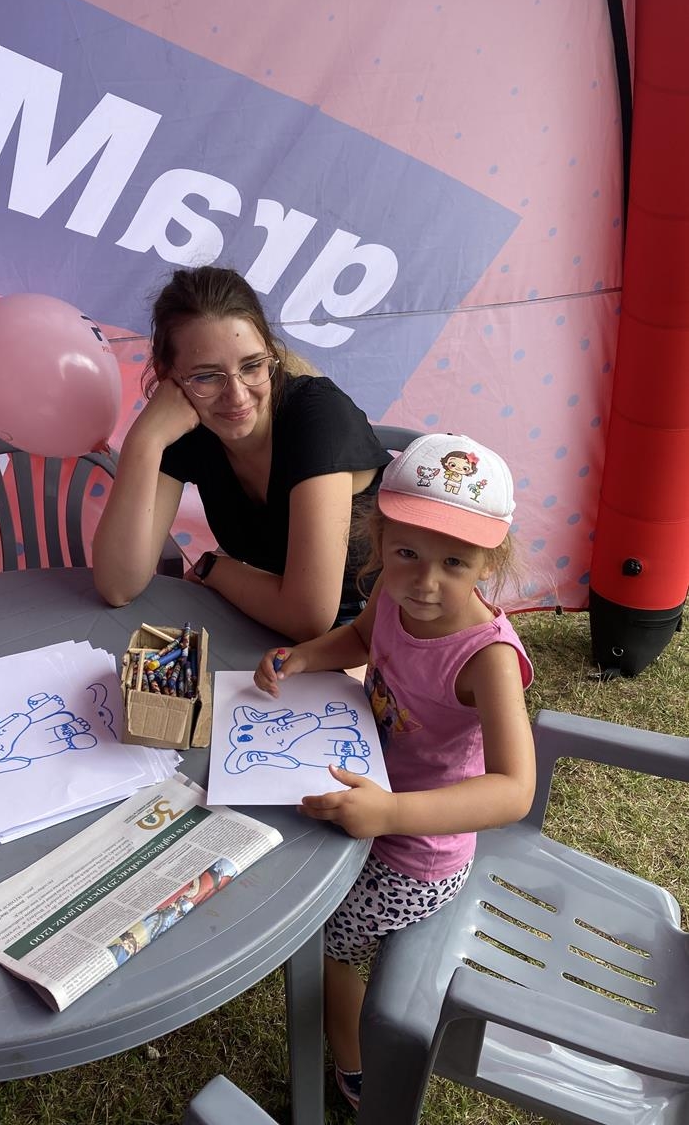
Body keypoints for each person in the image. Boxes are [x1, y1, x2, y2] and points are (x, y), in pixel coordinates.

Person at [253, 431, 536, 1111]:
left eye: (454, 562)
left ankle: (357, 1073)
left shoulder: (487, 659)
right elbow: (358, 639)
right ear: (380, 541)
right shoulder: (393, 592)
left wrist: (393, 814)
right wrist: (304, 657)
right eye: (407, 553)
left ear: (489, 561)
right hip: (366, 789)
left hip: (417, 854)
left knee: (320, 939)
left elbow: (515, 790)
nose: (425, 582)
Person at [93, 266, 389, 640]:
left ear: (270, 353)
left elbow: (309, 615)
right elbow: (118, 585)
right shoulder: (189, 422)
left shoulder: (318, 417)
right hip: (269, 623)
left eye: (252, 366)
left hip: (374, 632)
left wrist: (214, 569)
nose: (236, 396)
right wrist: (144, 441)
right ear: (169, 376)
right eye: (206, 375)